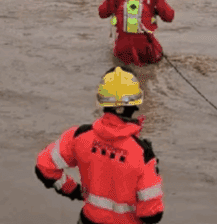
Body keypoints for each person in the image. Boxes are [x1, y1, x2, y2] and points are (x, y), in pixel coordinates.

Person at [35, 66, 165, 224]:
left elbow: (44, 166)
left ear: (102, 103)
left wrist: (73, 190)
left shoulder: (79, 135)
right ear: (135, 105)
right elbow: (152, 214)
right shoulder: (143, 154)